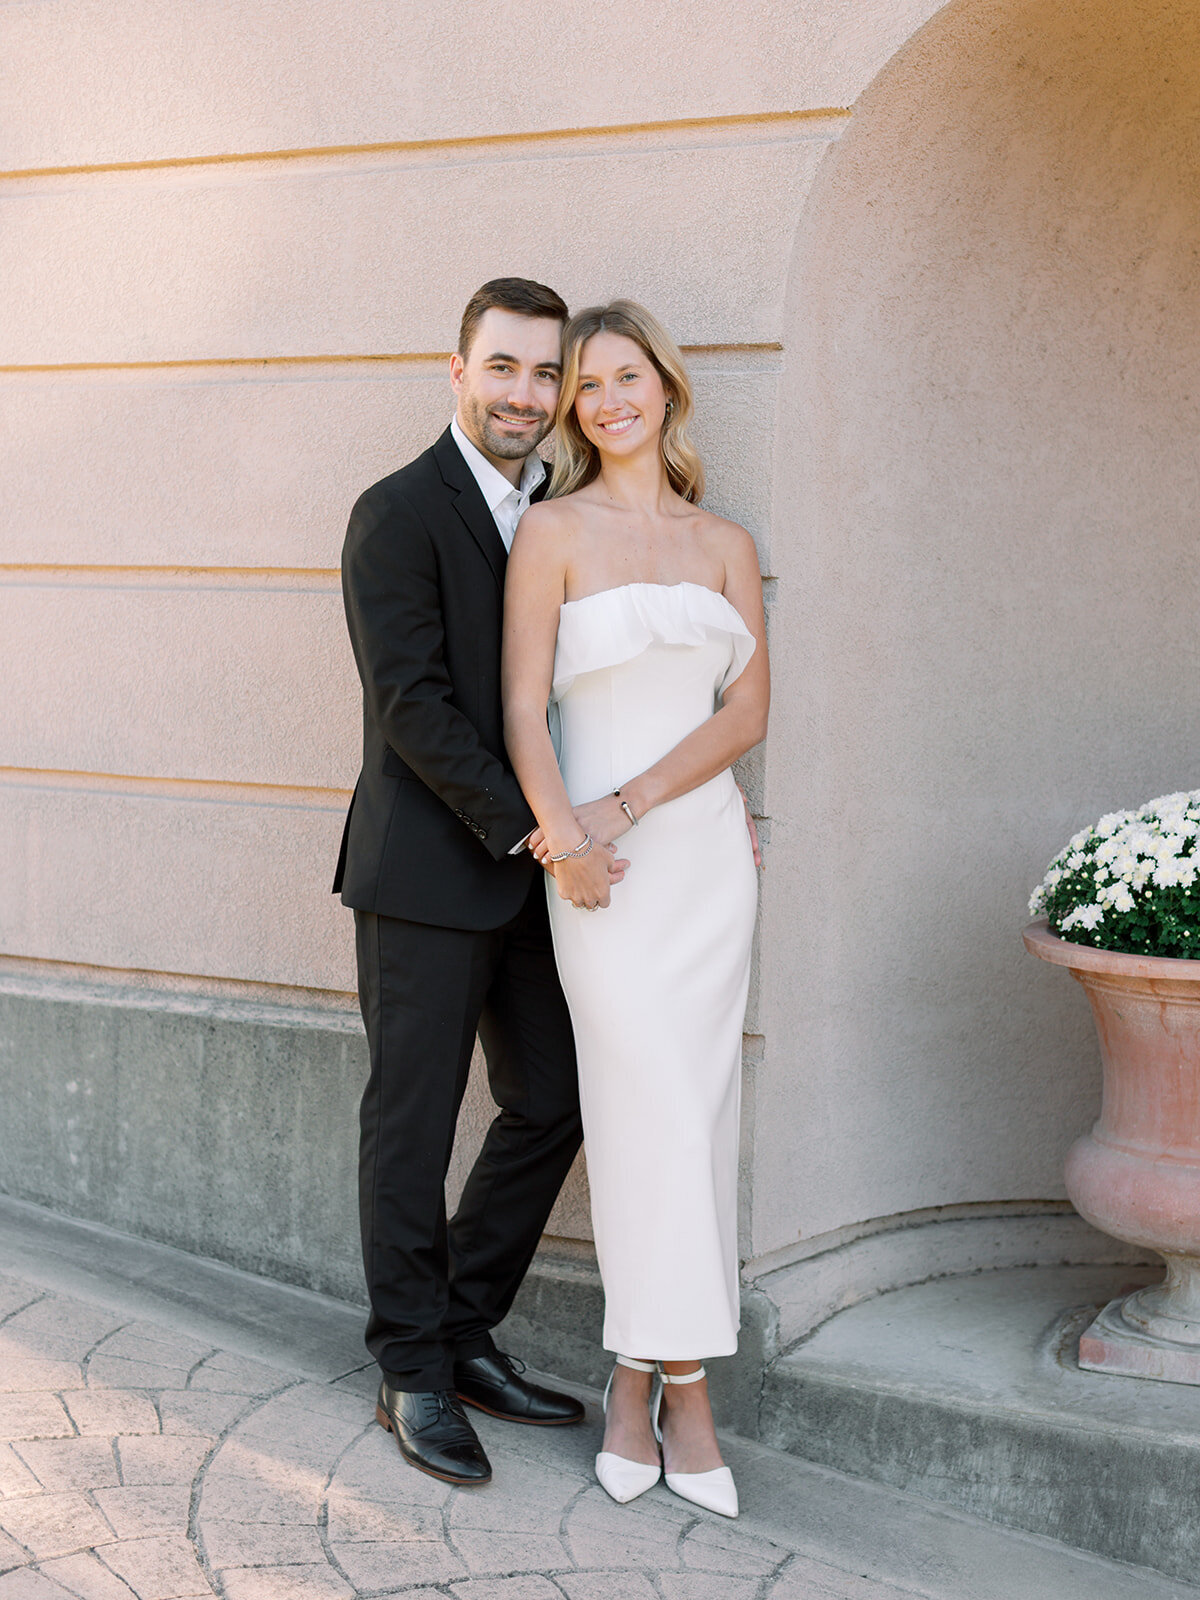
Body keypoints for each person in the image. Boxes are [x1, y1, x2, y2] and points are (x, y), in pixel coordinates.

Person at [334, 278, 627, 1488]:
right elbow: (414, 710)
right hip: (426, 869)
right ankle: (410, 1366)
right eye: (503, 368)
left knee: (554, 1096)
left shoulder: (554, 510)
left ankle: (461, 1331)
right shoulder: (396, 513)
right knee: (411, 1120)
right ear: (457, 371)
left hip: (524, 875)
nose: (527, 394)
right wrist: (546, 832)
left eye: (545, 373)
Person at [502, 300, 769, 1519]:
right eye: (586, 387)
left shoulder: (725, 541)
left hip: (700, 861)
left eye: (627, 377)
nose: (607, 401)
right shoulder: (550, 530)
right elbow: (520, 712)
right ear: (572, 409)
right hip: (593, 875)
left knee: (694, 1115)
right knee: (638, 1108)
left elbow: (745, 715)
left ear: (666, 387)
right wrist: (571, 838)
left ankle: (650, 1377)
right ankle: (669, 1389)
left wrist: (632, 804)